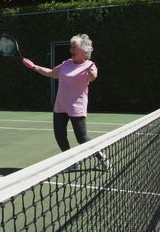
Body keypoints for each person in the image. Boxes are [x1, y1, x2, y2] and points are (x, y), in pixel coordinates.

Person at [22, 34, 110, 171]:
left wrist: (91, 74)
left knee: (82, 139)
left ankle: (102, 158)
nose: (71, 50)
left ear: (84, 50)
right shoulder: (66, 63)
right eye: (71, 47)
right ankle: (72, 163)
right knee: (60, 136)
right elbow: (51, 73)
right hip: (60, 106)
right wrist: (33, 66)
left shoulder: (90, 65)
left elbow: (92, 78)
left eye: (74, 47)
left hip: (77, 108)